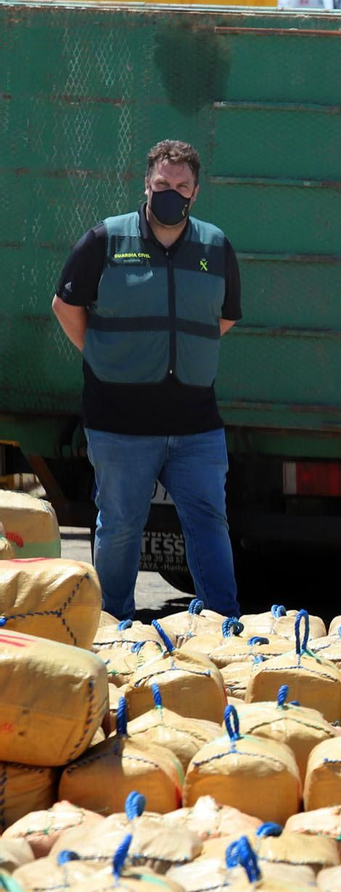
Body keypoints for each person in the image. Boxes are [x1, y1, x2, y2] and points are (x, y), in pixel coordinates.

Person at [50, 139, 242, 620]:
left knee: (208, 522)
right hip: (119, 424)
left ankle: (223, 624)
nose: (171, 194)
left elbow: (225, 318)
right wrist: (107, 357)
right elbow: (65, 306)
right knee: (119, 526)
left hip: (196, 424)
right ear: (146, 185)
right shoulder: (105, 240)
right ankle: (114, 625)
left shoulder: (215, 246)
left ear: (196, 191)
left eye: (181, 186)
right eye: (162, 185)